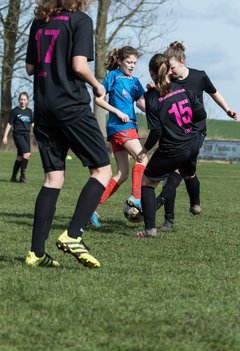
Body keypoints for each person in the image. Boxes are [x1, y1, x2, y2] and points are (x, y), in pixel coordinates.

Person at [24, 0, 112, 268]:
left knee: (53, 178)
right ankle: (74, 235)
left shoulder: (39, 22)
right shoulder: (80, 20)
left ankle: (36, 253)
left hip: (44, 109)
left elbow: (29, 68)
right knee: (102, 171)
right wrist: (97, 86)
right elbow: (78, 65)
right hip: (71, 105)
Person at [157, 41, 238, 230]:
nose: (170, 72)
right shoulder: (169, 82)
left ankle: (186, 201)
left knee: (181, 171)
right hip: (175, 132)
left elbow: (214, 93)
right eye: (167, 69)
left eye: (172, 67)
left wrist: (227, 110)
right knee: (178, 172)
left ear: (182, 61)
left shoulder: (199, 76)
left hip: (196, 131)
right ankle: (168, 220)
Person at [135, 53, 207, 237]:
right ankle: (196, 205)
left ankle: (150, 230)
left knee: (147, 183)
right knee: (189, 173)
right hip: (191, 143)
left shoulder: (151, 97)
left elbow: (157, 132)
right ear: (169, 71)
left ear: (152, 72)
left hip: (172, 148)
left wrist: (144, 150)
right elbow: (201, 115)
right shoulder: (184, 89)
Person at [90, 46, 147, 227]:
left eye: (134, 63)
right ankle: (136, 197)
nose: (132, 66)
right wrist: (116, 111)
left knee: (122, 173)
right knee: (143, 158)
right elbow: (99, 99)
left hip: (127, 128)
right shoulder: (113, 76)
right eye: (129, 62)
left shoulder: (135, 81)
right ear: (121, 61)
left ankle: (90, 208)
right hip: (121, 127)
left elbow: (142, 103)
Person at [2, 92, 33, 183]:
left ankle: (13, 177)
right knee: (27, 154)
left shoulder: (29, 111)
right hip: (18, 135)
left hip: (27, 135)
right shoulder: (14, 111)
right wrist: (5, 136)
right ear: (19, 100)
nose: (22, 101)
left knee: (20, 157)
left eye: (24, 100)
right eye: (21, 99)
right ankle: (23, 177)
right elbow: (9, 124)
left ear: (27, 100)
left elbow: (32, 123)